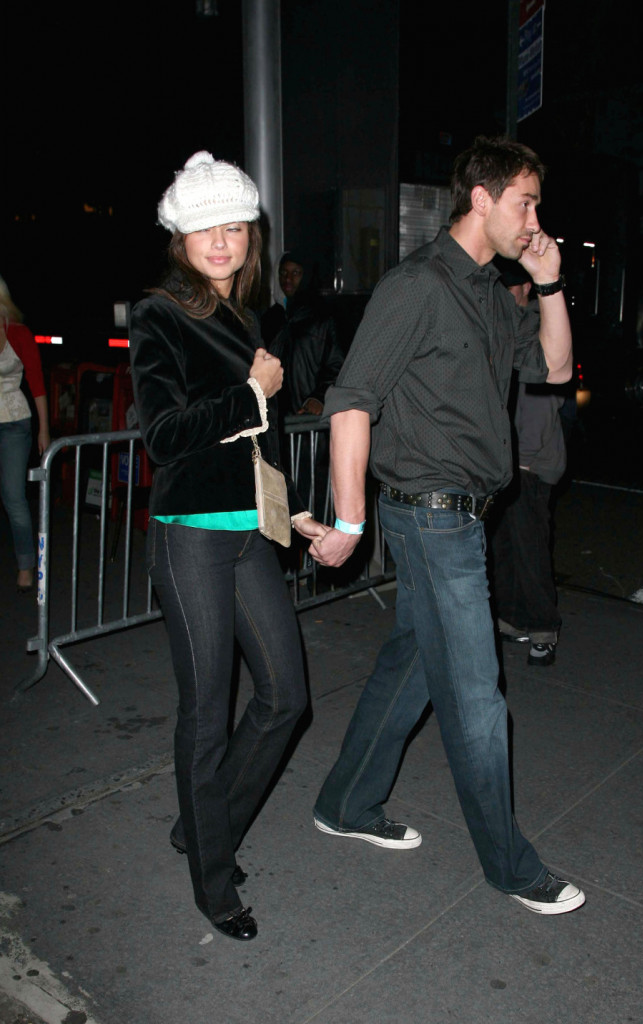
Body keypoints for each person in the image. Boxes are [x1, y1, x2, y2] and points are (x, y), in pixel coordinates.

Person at [307, 136, 585, 915]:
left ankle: (345, 803)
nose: (534, 219)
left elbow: (555, 370)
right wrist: (349, 520)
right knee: (476, 698)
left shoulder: (490, 294)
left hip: (464, 517)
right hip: (430, 517)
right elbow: (351, 402)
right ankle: (510, 866)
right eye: (525, 202)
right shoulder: (417, 286)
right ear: (481, 198)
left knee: (412, 667)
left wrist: (549, 283)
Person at [129, 152, 329, 941]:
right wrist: (251, 393)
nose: (221, 241)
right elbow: (164, 435)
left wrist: (294, 510)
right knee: (207, 713)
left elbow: (261, 439)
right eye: (205, 228)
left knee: (286, 698)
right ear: (181, 238)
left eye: (235, 227)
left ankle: (202, 824)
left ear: (251, 236)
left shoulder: (246, 319)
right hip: (191, 538)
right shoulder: (160, 314)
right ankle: (212, 880)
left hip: (250, 533)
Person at [490, 259, 567, 667]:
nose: (501, 295)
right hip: (507, 458)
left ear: (523, 289)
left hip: (529, 462)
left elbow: (541, 400)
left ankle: (542, 628)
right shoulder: (510, 325)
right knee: (504, 544)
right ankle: (512, 617)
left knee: (530, 546)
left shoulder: (539, 326)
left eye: (507, 288)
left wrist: (524, 460)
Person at [0, 277, 50, 593]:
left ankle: (25, 564)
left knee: (13, 495)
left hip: (14, 422)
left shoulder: (18, 333)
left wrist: (44, 429)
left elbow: (37, 383)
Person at [260, 250, 343, 418]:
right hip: (276, 416)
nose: (288, 279)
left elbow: (337, 365)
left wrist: (319, 397)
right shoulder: (271, 318)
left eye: (295, 273)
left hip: (308, 417)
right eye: (283, 273)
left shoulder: (322, 316)